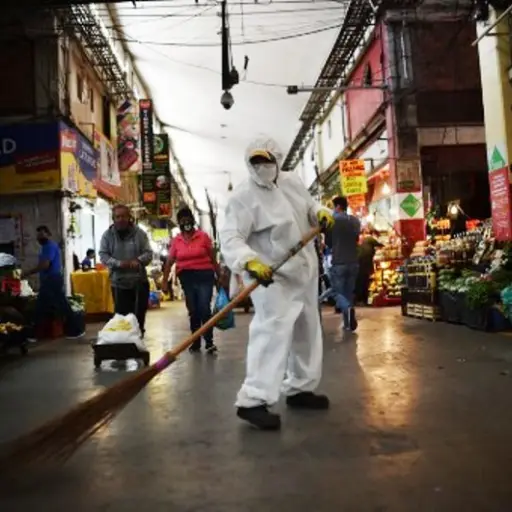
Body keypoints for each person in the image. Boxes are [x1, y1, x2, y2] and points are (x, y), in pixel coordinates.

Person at [219, 136, 334, 430]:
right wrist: (249, 261)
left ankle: (300, 387)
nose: (261, 166)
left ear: (277, 160)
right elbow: (231, 237)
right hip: (272, 275)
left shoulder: (292, 182)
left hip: (304, 269)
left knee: (307, 328)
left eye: (266, 160)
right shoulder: (242, 197)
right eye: (255, 161)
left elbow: (310, 206)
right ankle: (253, 400)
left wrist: (321, 212)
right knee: (271, 333)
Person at [162, 206, 219, 355]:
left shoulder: (203, 237)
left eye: (188, 219)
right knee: (193, 310)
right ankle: (195, 341)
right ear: (179, 223)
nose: (185, 222)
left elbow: (212, 258)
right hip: (187, 277)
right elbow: (169, 261)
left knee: (204, 308)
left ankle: (209, 342)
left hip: (205, 275)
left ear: (193, 221)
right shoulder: (177, 241)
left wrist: (219, 277)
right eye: (182, 220)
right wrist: (164, 281)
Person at [99, 204, 153, 335]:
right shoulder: (107, 236)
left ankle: (138, 343)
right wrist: (118, 263)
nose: (121, 219)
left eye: (124, 216)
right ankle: (125, 346)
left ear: (130, 217)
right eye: (118, 216)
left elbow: (148, 253)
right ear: (113, 218)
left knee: (138, 318)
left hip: (139, 282)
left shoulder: (140, 234)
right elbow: (103, 255)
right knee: (122, 320)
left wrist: (138, 260)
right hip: (118, 283)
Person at [23, 226, 84, 340]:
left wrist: (27, 272)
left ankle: (34, 334)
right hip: (50, 279)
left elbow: (45, 265)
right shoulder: (47, 247)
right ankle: (75, 330)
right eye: (38, 235)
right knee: (57, 305)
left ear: (48, 234)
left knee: (43, 306)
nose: (40, 237)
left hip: (52, 280)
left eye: (42, 234)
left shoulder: (49, 247)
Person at [329, 196, 361, 331]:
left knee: (337, 292)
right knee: (348, 293)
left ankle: (348, 308)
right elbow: (356, 238)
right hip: (353, 262)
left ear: (337, 206)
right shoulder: (354, 221)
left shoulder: (332, 221)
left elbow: (329, 243)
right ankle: (347, 324)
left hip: (339, 262)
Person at [356, 229, 383, 304]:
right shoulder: (370, 238)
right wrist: (384, 245)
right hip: (365, 264)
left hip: (360, 264)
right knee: (365, 282)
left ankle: (360, 299)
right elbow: (379, 244)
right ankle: (363, 300)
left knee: (361, 282)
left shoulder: (364, 242)